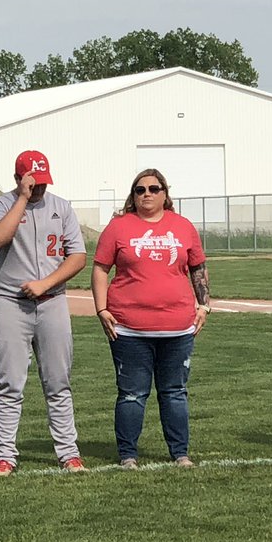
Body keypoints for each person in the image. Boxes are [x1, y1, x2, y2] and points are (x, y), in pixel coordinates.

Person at [91, 169, 209, 469]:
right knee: (132, 393)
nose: (147, 194)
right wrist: (102, 309)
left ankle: (180, 453)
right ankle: (128, 455)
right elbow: (101, 268)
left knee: (175, 393)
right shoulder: (119, 227)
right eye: (140, 189)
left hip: (177, 327)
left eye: (154, 189)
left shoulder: (183, 227)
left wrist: (204, 305)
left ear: (165, 194)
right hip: (129, 328)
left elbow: (197, 267)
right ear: (133, 195)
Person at [0, 150, 88, 476]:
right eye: (33, 182)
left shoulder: (61, 207)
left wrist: (46, 284)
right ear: (19, 179)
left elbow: (78, 256)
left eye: (43, 182)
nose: (40, 188)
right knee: (10, 384)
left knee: (58, 383)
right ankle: (4, 457)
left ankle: (69, 455)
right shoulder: (0, 205)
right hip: (11, 302)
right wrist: (22, 199)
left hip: (52, 301)